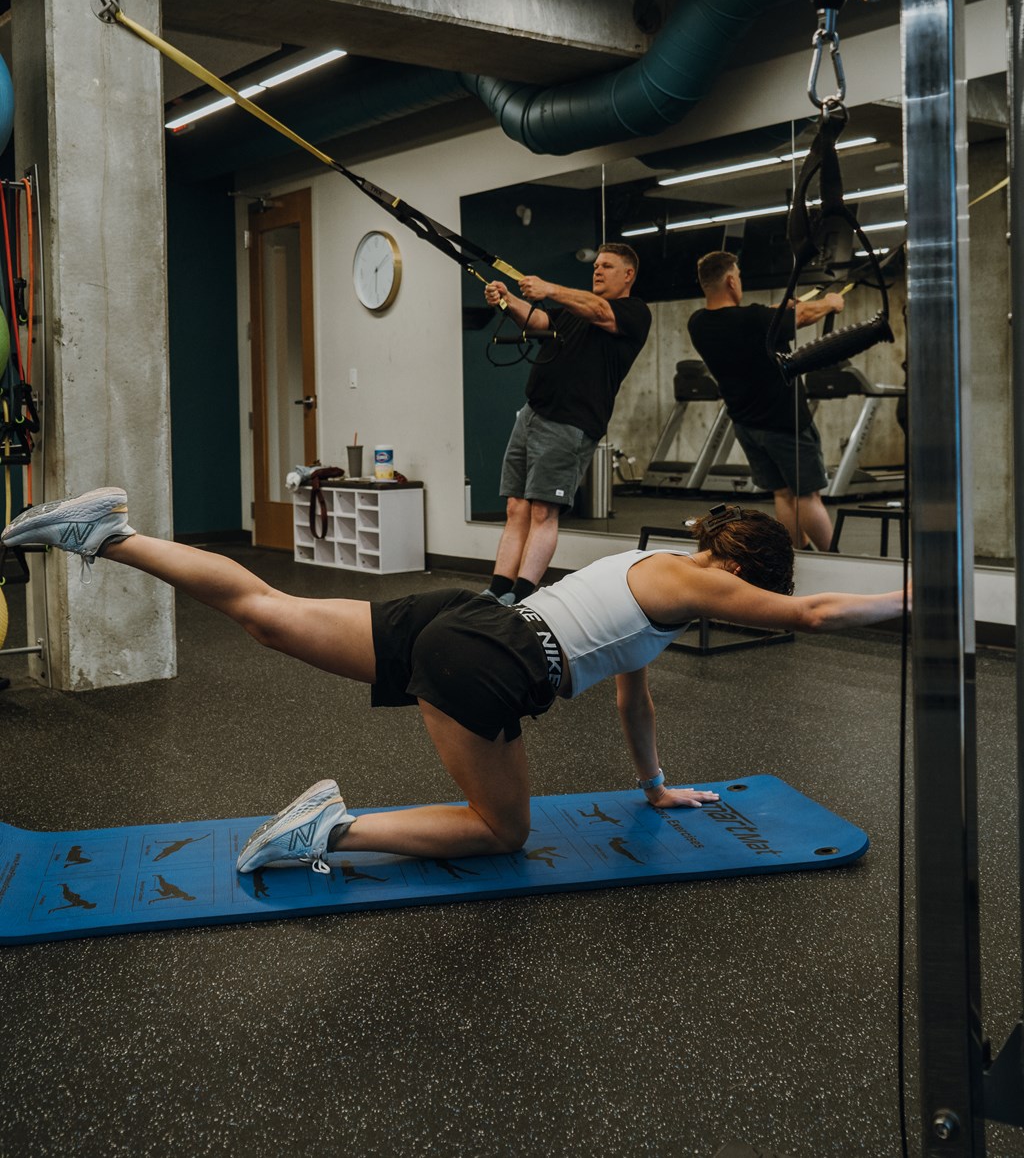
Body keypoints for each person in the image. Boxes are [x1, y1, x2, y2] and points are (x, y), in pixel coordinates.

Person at [1, 488, 906, 874]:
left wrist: (656, 785)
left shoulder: (661, 579)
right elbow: (818, 616)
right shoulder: (692, 579)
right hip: (491, 662)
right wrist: (917, 594)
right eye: (759, 590)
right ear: (741, 568)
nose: (754, 605)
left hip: (464, 617)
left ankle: (103, 534)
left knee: (265, 613)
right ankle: (332, 828)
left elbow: (635, 690)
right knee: (502, 833)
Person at [482, 243, 651, 605]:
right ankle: (497, 590)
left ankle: (522, 595)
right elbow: (542, 322)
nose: (598, 270)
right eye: (596, 265)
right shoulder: (577, 310)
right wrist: (508, 299)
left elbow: (602, 312)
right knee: (516, 506)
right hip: (532, 413)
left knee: (543, 510)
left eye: (607, 265)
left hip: (570, 422)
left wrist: (550, 289)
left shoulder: (633, 312)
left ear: (628, 274)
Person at [687, 250, 845, 551]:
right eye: (739, 276)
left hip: (747, 424)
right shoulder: (756, 320)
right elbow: (802, 316)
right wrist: (830, 303)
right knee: (807, 495)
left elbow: (752, 321)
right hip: (784, 422)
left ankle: (797, 553)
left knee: (783, 492)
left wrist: (778, 311)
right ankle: (836, 559)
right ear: (732, 281)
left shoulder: (699, 323)